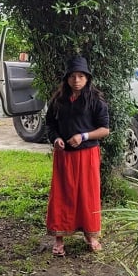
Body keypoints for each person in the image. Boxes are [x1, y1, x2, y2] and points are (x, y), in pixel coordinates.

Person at [45, 56, 110, 257]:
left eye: (81, 76)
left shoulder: (96, 101)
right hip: (64, 156)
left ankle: (91, 236)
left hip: (88, 154)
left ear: (87, 78)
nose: (76, 80)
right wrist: (56, 139)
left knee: (87, 194)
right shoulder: (58, 101)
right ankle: (59, 239)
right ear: (66, 79)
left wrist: (83, 136)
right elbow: (50, 125)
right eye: (72, 76)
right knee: (62, 194)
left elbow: (105, 130)